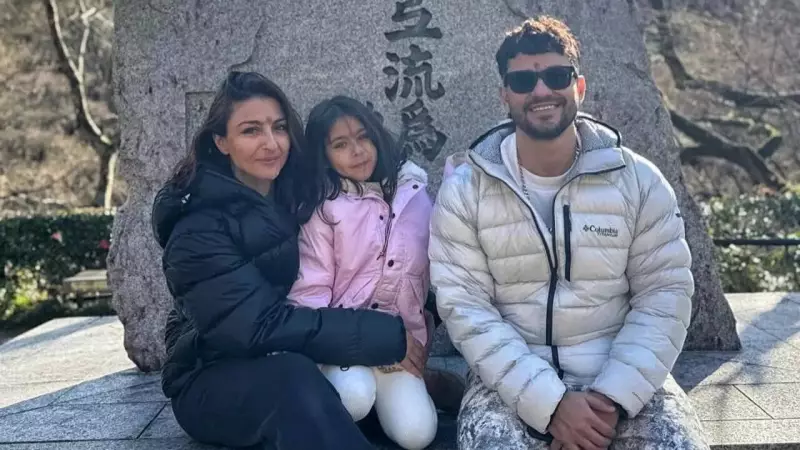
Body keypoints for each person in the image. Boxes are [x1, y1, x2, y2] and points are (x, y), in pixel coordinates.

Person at [429, 16, 709, 450]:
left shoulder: (639, 181)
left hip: (621, 372)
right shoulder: (466, 191)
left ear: (578, 86)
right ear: (505, 95)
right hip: (510, 380)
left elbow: (664, 295)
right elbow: (466, 308)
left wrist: (610, 400)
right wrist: (552, 405)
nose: (541, 91)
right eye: (523, 81)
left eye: (557, 76)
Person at [151, 71, 415, 450]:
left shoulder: (298, 195)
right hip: (213, 375)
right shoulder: (197, 229)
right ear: (221, 142)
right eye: (251, 131)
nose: (271, 143)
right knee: (293, 382)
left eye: (279, 127)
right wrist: (386, 335)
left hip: (294, 352)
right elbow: (256, 327)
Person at [287, 95, 438, 450]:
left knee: (417, 435)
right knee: (353, 397)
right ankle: (351, 404)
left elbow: (433, 275)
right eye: (340, 145)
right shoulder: (323, 209)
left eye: (363, 137)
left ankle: (403, 395)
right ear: (323, 155)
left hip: (399, 347)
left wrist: (424, 330)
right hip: (341, 347)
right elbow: (309, 296)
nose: (357, 151)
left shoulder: (415, 193)